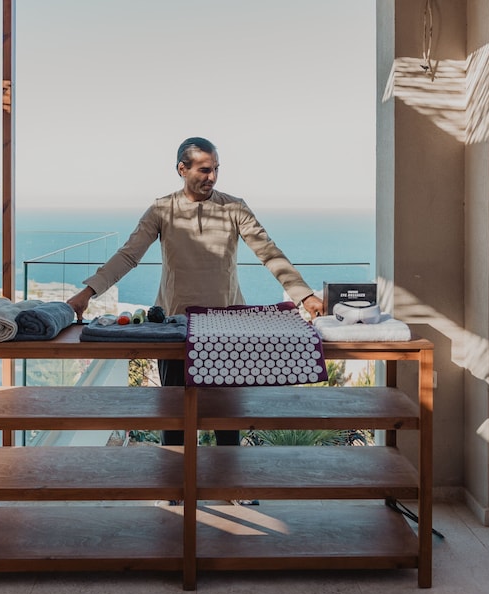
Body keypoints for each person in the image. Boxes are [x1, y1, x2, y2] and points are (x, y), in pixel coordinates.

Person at [67, 136, 324, 446]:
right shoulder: (162, 209)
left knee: (226, 420)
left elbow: (268, 252)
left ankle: (229, 476)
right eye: (204, 170)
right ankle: (175, 478)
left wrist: (304, 295)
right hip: (176, 327)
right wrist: (88, 292)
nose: (212, 177)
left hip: (226, 327)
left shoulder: (234, 207)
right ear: (182, 169)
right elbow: (128, 255)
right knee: (175, 418)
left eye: (216, 169)